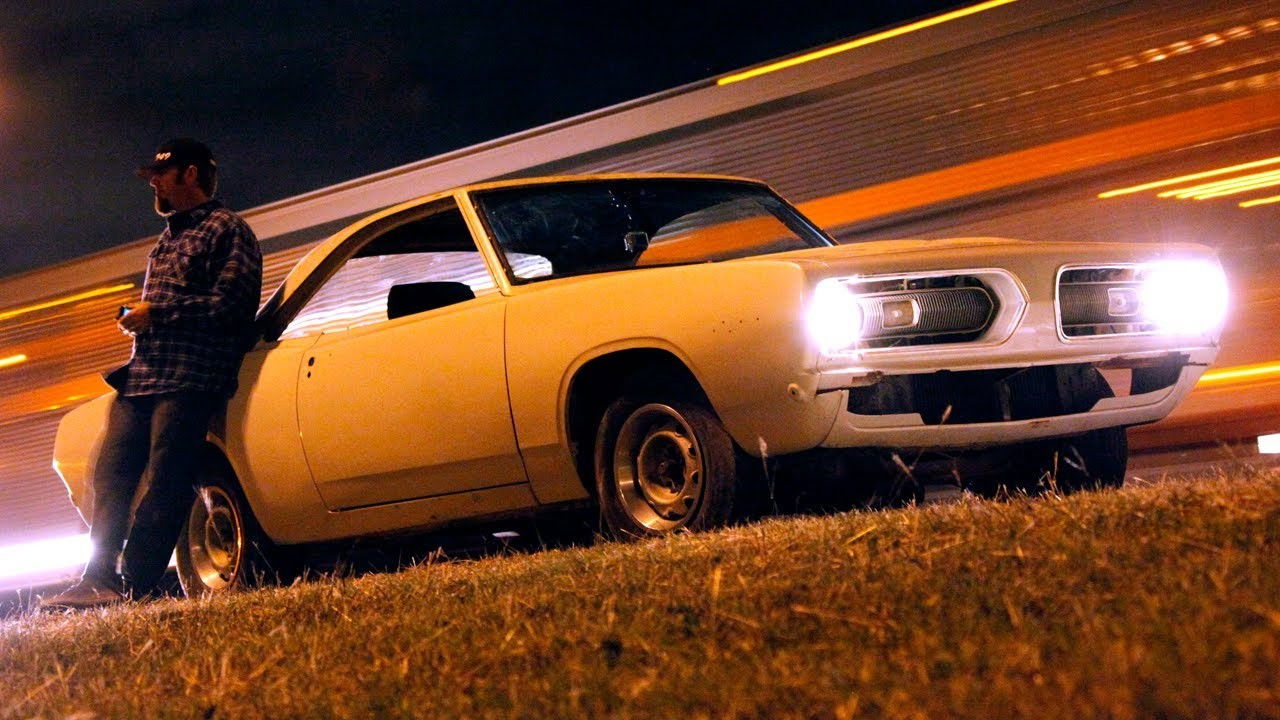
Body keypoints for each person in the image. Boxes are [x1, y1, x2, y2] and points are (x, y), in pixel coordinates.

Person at [41, 138, 262, 610]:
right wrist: (140, 318)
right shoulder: (167, 241)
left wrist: (156, 313)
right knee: (111, 476)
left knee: (166, 479)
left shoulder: (229, 230)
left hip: (190, 377)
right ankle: (98, 578)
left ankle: (134, 585)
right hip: (143, 375)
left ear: (190, 175)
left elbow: (233, 308)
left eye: (161, 175)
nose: (154, 185)